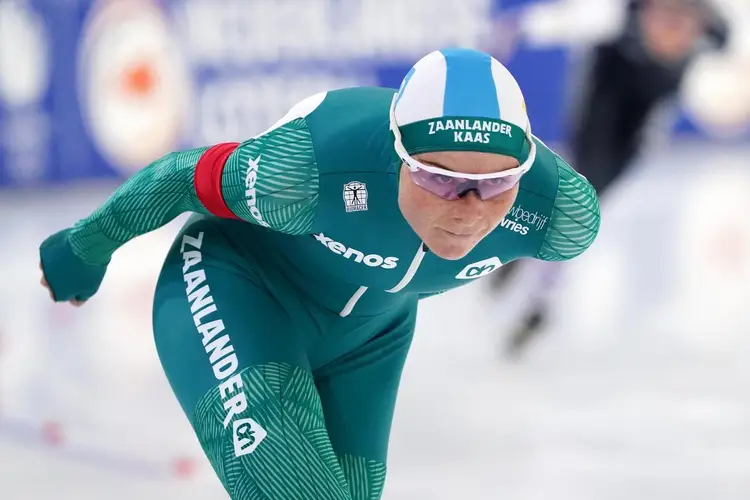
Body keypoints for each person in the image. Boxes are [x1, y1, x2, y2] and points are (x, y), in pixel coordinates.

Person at [38, 48, 600, 500]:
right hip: (240, 287)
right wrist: (83, 250)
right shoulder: (307, 171)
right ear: (398, 155)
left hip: (370, 338)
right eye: (438, 179)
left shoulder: (559, 214)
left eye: (498, 184)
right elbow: (180, 177)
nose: (469, 209)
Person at [494, 0, 728, 358]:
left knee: (581, 206)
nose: (671, 32)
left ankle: (532, 272)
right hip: (602, 101)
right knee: (575, 198)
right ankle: (539, 294)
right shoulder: (617, 15)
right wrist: (524, 25)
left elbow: (727, 62)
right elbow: (570, 18)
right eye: (664, 18)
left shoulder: (715, 27)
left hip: (638, 124)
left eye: (683, 23)